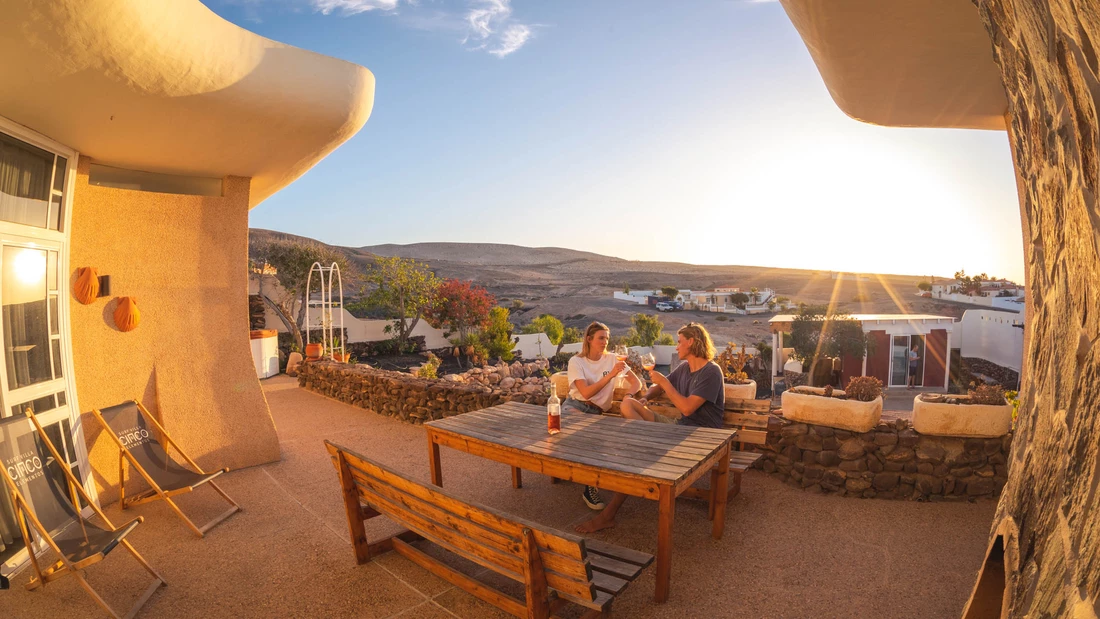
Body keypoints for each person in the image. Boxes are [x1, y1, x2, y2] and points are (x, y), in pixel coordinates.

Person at [575, 322, 724, 533]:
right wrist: (645, 397)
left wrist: (664, 382)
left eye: (679, 342)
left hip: (701, 437)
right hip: (679, 428)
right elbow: (657, 387)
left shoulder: (711, 372)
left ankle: (608, 515)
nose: (676, 347)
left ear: (691, 342)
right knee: (628, 404)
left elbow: (688, 408)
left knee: (635, 454)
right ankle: (644, 445)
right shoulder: (684, 368)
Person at [565, 322, 643, 511]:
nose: (605, 341)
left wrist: (628, 395)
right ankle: (588, 484)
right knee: (581, 432)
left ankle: (589, 486)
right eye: (601, 338)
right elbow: (585, 394)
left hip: (596, 413)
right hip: (575, 406)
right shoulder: (576, 362)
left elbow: (637, 382)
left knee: (593, 434)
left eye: (607, 338)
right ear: (589, 339)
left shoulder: (613, 360)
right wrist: (610, 376)